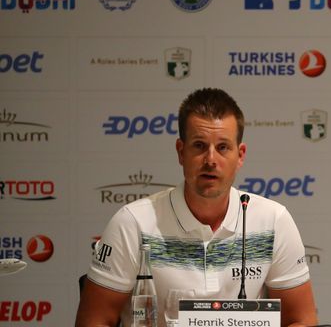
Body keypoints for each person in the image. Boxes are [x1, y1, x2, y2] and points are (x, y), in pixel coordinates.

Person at [76, 88, 317, 327]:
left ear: (240, 155)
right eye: (200, 146)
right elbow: (93, 322)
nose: (211, 160)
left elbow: (301, 320)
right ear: (181, 152)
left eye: (223, 147)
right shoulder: (133, 223)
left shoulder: (273, 220)